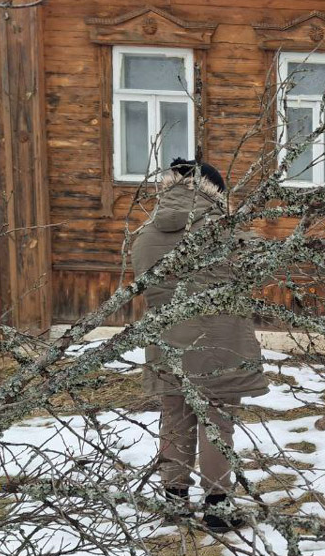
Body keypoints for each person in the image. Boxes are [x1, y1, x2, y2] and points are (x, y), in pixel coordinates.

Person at [132, 158, 267, 532]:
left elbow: (145, 283)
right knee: (216, 421)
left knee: (174, 420)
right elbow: (254, 271)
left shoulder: (146, 232)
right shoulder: (226, 230)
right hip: (218, 344)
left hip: (167, 343)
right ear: (214, 190)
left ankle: (174, 503)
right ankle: (218, 506)